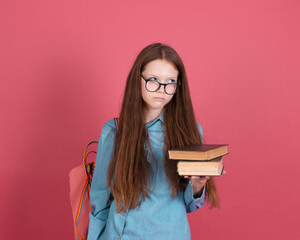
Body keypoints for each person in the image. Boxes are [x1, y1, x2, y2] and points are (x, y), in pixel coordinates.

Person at [88, 43, 220, 240]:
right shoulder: (114, 131)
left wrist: (198, 186)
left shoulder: (189, 130)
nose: (162, 89)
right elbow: (100, 199)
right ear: (137, 80)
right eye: (153, 80)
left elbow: (189, 205)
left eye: (170, 82)